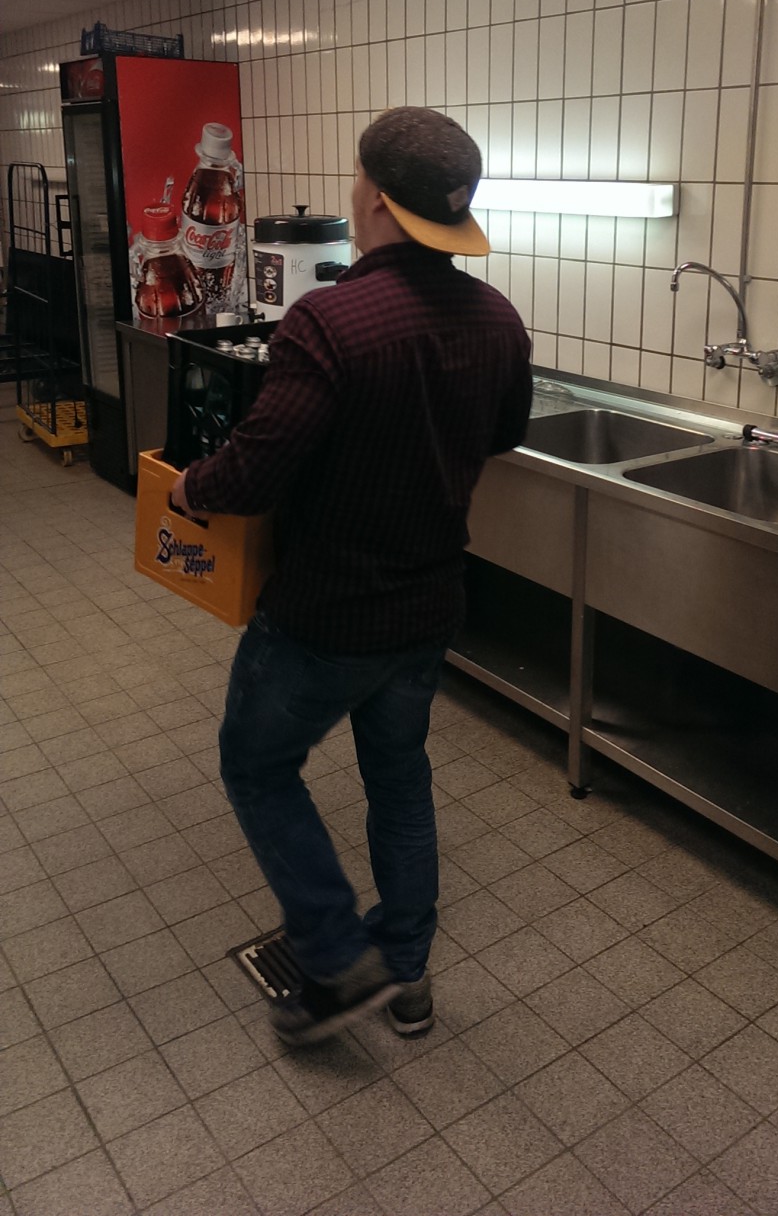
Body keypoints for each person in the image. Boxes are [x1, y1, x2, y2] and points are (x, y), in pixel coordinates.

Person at [171, 107, 532, 1044]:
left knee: (257, 766)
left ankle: (337, 959)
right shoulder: (497, 317)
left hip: (324, 616)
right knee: (399, 779)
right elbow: (503, 433)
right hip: (428, 605)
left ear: (371, 196)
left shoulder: (329, 322)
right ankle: (406, 975)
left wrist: (188, 490)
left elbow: (254, 473)